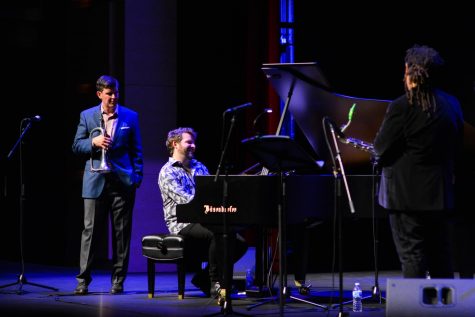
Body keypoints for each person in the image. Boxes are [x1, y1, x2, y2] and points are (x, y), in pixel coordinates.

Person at [373, 45, 464, 278]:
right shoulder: (452, 104)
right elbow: (457, 145)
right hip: (440, 196)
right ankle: (444, 311)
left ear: (407, 71)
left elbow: (380, 148)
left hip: (405, 198)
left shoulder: (402, 106)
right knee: (441, 257)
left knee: (412, 257)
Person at [72, 75, 144, 295]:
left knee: (122, 234)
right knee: (90, 233)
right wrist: (93, 142)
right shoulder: (87, 116)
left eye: (116, 93)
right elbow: (76, 146)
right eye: (109, 93)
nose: (113, 97)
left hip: (122, 182)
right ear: (99, 94)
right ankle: (83, 280)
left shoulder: (130, 117)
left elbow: (137, 151)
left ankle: (118, 280)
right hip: (94, 182)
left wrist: (136, 177)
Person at [158, 127, 248, 299]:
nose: (193, 146)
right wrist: (209, 203)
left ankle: (203, 278)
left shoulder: (199, 166)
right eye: (188, 142)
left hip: (204, 218)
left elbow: (211, 193)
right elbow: (186, 200)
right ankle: (216, 282)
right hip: (182, 223)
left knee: (239, 242)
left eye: (194, 142)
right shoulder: (167, 171)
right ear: (175, 144)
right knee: (219, 233)